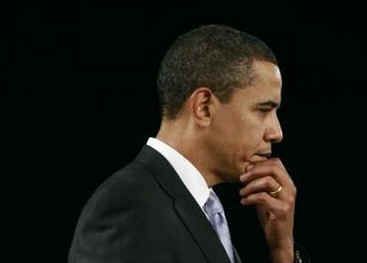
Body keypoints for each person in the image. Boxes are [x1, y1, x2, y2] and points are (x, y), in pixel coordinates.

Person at [68, 24, 310, 263]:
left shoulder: (201, 207)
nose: (277, 133)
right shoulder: (128, 207)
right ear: (204, 107)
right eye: (263, 110)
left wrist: (282, 251)